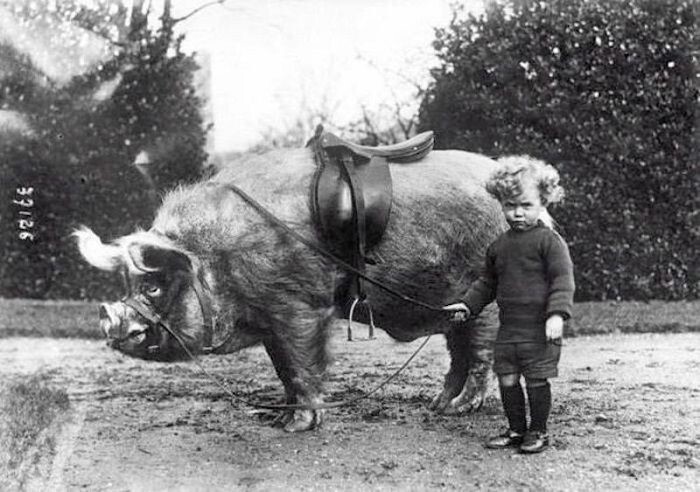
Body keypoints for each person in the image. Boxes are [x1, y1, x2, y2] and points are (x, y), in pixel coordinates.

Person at [444, 155, 575, 454]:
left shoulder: (550, 242)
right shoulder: (499, 246)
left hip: (539, 329)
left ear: (543, 202)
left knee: (536, 380)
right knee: (507, 378)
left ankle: (538, 431)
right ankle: (516, 429)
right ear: (500, 204)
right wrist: (467, 305)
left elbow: (562, 280)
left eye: (526, 206)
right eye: (510, 206)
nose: (517, 213)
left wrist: (557, 314)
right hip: (509, 330)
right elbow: (486, 284)